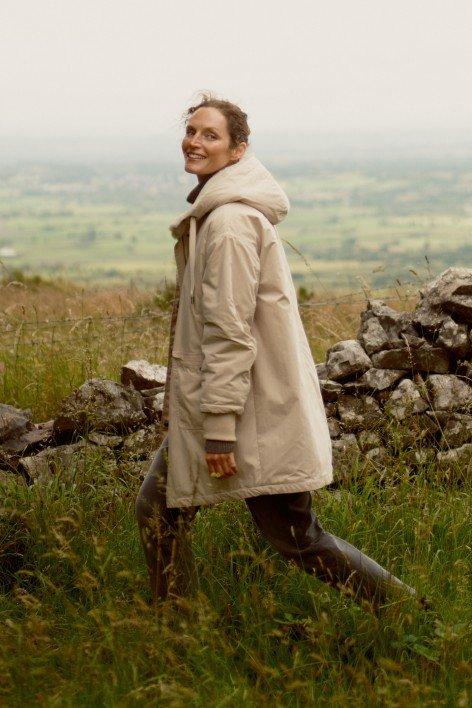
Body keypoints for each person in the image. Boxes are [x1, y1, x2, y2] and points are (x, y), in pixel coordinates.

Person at [135, 92, 418, 610]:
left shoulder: (229, 224)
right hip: (229, 405)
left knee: (297, 537)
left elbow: (230, 332)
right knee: (158, 508)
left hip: (246, 414)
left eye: (210, 134)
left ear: (239, 150)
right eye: (192, 130)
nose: (194, 141)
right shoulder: (215, 215)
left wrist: (219, 425)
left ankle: (408, 612)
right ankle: (171, 624)